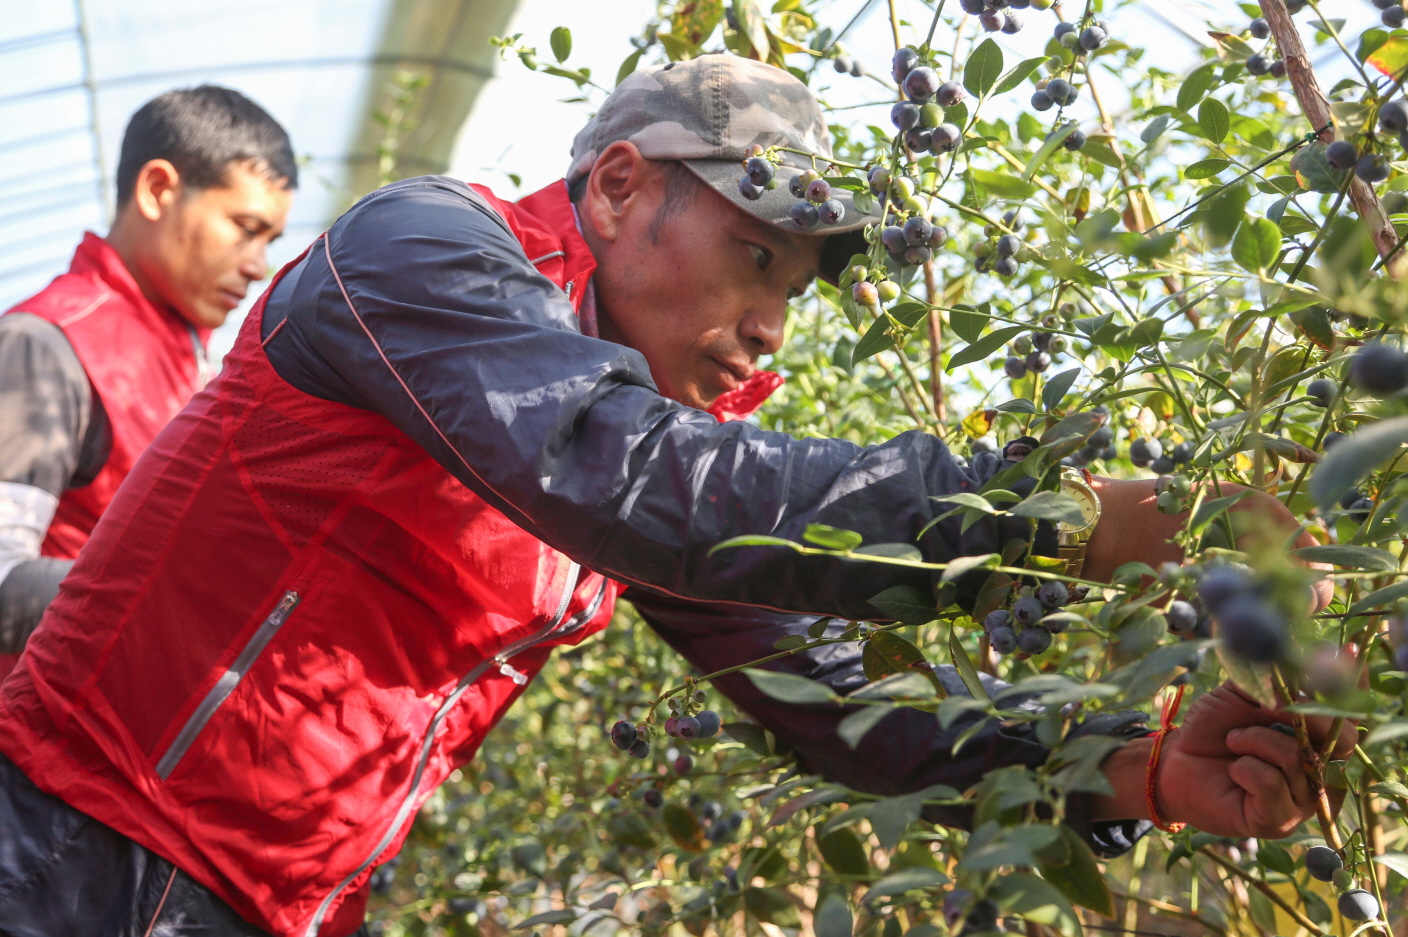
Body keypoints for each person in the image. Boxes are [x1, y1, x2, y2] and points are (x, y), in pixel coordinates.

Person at [0, 56, 1347, 937]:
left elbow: (835, 694)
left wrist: (1132, 764)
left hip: (269, 901)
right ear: (621, 183)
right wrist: (1057, 516)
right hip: (79, 856)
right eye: (751, 254)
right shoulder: (423, 256)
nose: (768, 323)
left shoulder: (639, 422)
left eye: (794, 288)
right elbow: (644, 484)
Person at [0, 85, 295, 674]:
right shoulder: (50, 344)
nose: (257, 266)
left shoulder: (200, 364)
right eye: (244, 227)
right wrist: (185, 606)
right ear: (158, 190)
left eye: (270, 241)